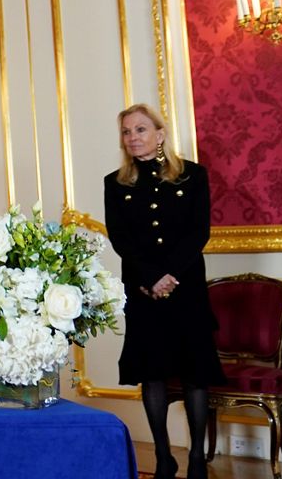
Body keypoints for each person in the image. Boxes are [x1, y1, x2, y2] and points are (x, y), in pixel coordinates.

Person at [104, 104, 224, 479]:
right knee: (152, 373)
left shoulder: (192, 175)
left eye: (141, 129)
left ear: (160, 133)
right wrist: (151, 277)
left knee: (194, 374)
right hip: (143, 290)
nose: (133, 137)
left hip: (185, 287)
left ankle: (197, 460)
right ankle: (162, 455)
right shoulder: (116, 182)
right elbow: (120, 238)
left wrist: (170, 274)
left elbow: (198, 231)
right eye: (126, 132)